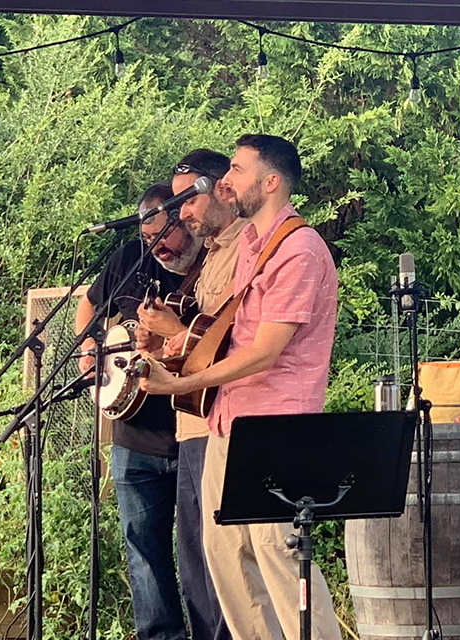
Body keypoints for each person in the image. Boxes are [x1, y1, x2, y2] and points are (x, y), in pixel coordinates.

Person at [140, 135, 342, 640]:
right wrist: (176, 348)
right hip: (228, 419)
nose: (224, 180)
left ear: (270, 182)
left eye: (235, 169)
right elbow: (229, 337)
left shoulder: (299, 248)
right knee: (226, 555)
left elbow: (264, 353)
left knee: (278, 553)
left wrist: (180, 382)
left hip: (276, 425)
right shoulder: (252, 244)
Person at [75, 183, 204, 640]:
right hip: (133, 435)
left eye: (165, 236)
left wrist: (173, 331)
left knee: (201, 556)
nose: (158, 248)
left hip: (192, 433)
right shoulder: (131, 259)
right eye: (149, 238)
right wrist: (90, 348)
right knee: (144, 553)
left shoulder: (213, 267)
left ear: (187, 223)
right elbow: (90, 303)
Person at [137, 149, 248, 640]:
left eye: (187, 201)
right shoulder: (211, 256)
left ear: (221, 188)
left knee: (221, 563)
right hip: (191, 423)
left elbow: (231, 344)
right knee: (195, 562)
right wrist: (158, 345)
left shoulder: (249, 248)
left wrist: (175, 330)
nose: (181, 213)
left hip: (221, 421)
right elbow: (193, 345)